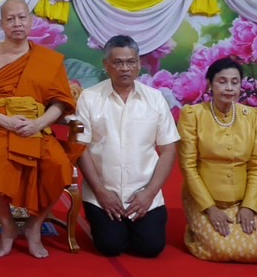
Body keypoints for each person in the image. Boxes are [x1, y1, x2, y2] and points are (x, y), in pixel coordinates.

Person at [0, 0, 79, 258]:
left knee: (59, 166)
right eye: (10, 19)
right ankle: (7, 226)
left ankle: (34, 226)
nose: (16, 23)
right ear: (1, 24)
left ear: (30, 21)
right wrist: (5, 121)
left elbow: (60, 103)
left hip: (36, 125)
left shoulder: (48, 60)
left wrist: (39, 123)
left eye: (21, 18)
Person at [76, 34, 179, 258]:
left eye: (131, 62)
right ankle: (106, 222)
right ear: (106, 65)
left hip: (144, 193)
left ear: (139, 64)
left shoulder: (155, 99)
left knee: (150, 248)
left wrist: (150, 193)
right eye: (118, 62)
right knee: (110, 246)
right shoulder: (89, 98)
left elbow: (169, 149)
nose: (125, 68)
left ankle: (137, 221)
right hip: (103, 193)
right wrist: (101, 192)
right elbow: (80, 148)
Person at [177, 56, 257, 263]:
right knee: (222, 248)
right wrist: (210, 208)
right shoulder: (193, 115)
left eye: (234, 82)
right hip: (203, 200)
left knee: (255, 250)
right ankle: (195, 230)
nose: (229, 88)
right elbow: (188, 166)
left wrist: (249, 206)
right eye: (222, 81)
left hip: (240, 200)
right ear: (210, 84)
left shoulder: (253, 117)